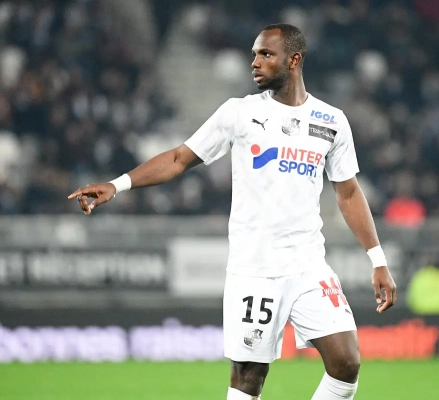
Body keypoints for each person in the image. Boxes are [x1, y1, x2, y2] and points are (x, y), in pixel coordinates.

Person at [68, 23, 396, 400]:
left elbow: (349, 193)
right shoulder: (238, 114)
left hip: (308, 266)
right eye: (254, 54)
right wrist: (118, 184)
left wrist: (378, 260)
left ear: (294, 60)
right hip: (254, 271)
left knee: (347, 363)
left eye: (266, 54)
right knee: (248, 378)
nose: (254, 62)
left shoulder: (331, 121)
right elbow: (178, 158)